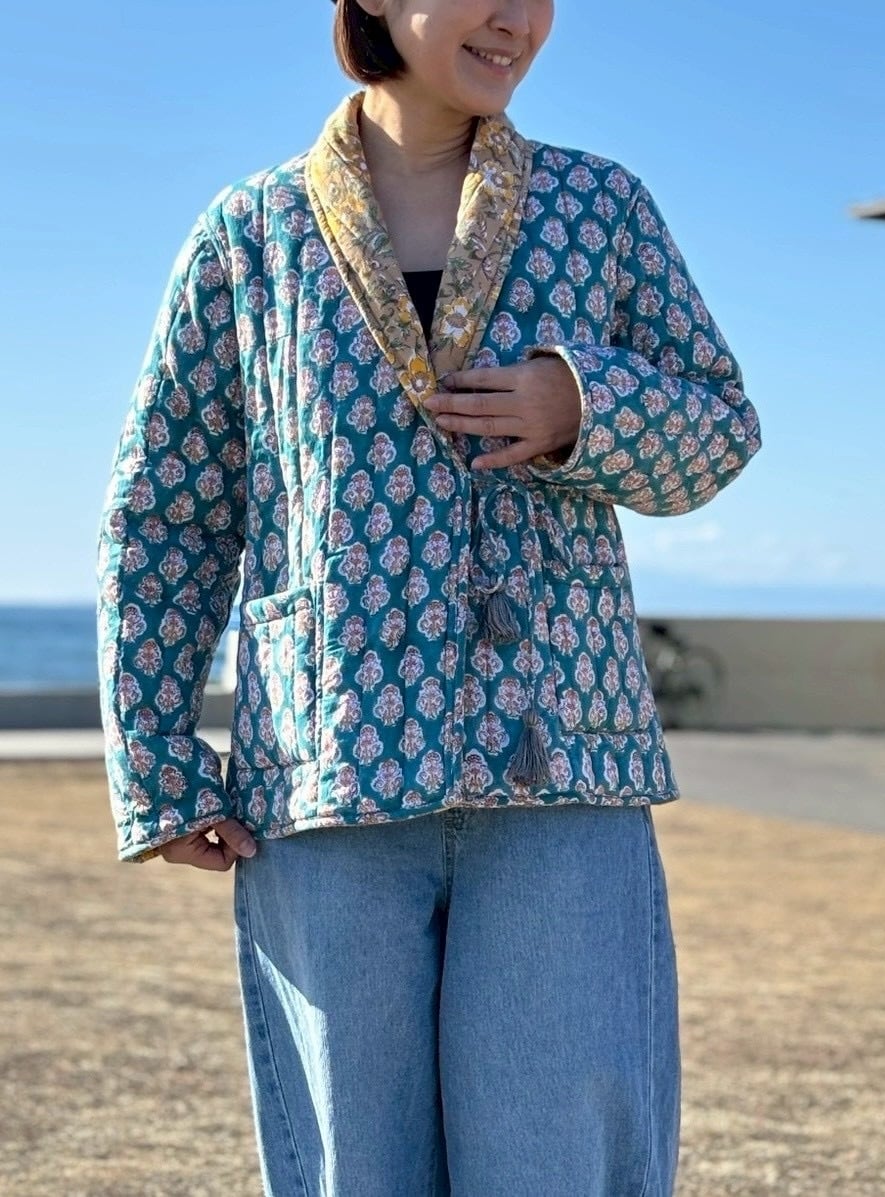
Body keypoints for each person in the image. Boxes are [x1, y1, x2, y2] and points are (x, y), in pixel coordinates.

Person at [96, 1, 762, 1193]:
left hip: (564, 771)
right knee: (357, 1170)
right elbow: (169, 512)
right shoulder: (250, 235)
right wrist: (156, 757)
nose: (518, 18)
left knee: (558, 1166)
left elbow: (720, 427)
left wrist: (582, 407)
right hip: (329, 774)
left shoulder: (600, 208)